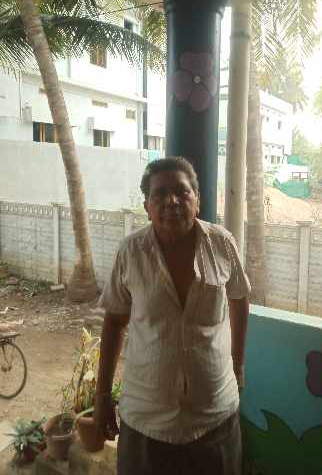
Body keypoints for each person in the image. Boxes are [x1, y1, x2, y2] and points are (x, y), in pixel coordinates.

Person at [94, 156, 250, 475]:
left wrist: (238, 366)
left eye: (181, 191)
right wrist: (102, 395)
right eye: (160, 194)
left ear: (197, 200)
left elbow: (239, 299)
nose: (172, 201)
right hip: (146, 424)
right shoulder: (131, 252)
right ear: (147, 206)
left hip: (214, 417)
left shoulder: (222, 244)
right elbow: (114, 321)